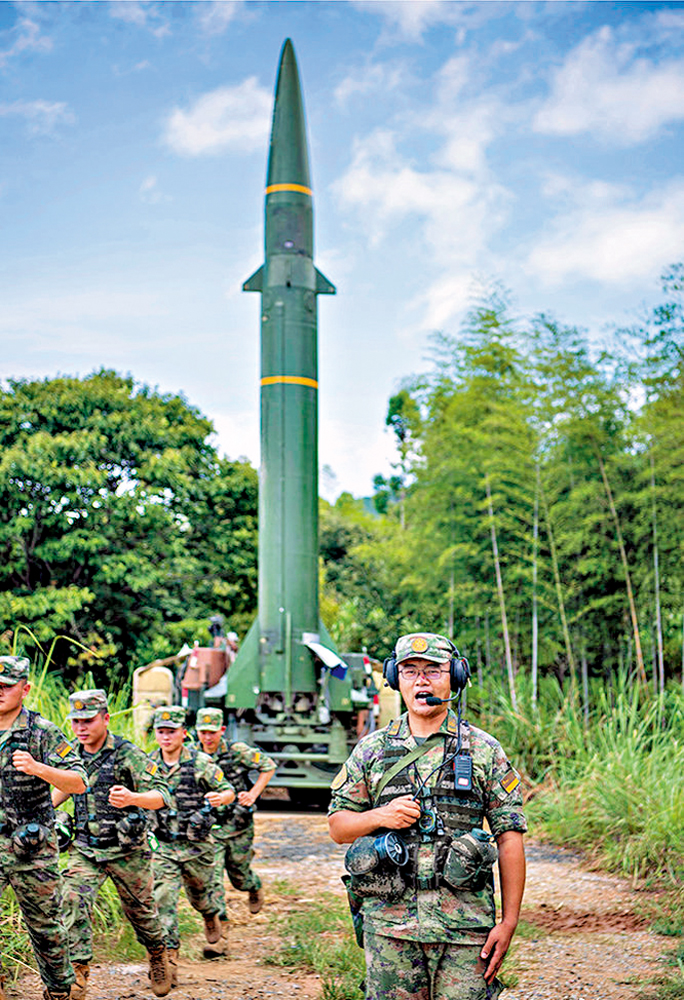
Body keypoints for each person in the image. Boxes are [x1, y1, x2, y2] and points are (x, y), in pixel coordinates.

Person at [328, 633, 527, 1000]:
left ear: (456, 677)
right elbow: (339, 827)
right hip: (390, 927)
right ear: (394, 678)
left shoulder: (483, 750)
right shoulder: (373, 750)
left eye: (434, 670)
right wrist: (381, 816)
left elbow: (509, 836)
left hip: (466, 930)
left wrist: (509, 921)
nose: (422, 681)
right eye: (410, 671)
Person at [56, 689, 172, 1000]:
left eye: (88, 720)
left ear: (105, 719)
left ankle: (158, 954)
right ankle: (78, 972)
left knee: (142, 912)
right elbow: (66, 788)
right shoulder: (71, 754)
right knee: (72, 899)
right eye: (76, 720)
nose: (81, 727)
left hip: (126, 851)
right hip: (86, 850)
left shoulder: (126, 753)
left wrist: (134, 799)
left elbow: (163, 795)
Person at [0, 656, 87, 1000]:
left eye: (7, 685)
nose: (0, 691)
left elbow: (79, 781)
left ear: (25, 688)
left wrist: (40, 769)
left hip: (31, 848)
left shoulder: (41, 731)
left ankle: (58, 991)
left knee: (47, 928)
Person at [149, 706, 235, 985]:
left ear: (183, 734)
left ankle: (211, 914)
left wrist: (222, 798)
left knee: (201, 895)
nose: (166, 737)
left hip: (196, 846)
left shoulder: (200, 763)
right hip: (163, 845)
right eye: (161, 731)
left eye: (171, 731)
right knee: (163, 900)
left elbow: (228, 790)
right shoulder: (147, 764)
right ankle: (168, 960)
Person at [195, 707, 277, 954]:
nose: (207, 737)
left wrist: (253, 794)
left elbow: (268, 765)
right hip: (210, 828)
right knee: (213, 878)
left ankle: (253, 886)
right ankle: (221, 937)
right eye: (203, 732)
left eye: (212, 732)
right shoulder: (192, 755)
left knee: (238, 875)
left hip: (238, 824)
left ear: (222, 730)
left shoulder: (236, 751)